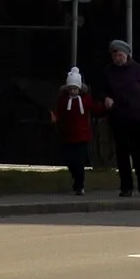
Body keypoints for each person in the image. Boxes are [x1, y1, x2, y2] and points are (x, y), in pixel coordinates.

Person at [52, 64, 106, 194]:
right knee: (70, 159)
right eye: (70, 89)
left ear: (79, 88)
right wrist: (56, 119)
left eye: (75, 89)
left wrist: (105, 108)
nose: (73, 92)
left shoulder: (85, 100)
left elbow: (94, 109)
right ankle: (75, 177)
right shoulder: (63, 100)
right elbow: (59, 113)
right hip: (68, 135)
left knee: (79, 161)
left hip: (82, 136)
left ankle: (79, 185)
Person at [104, 40, 140, 196]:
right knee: (122, 153)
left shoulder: (139, 70)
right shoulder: (108, 71)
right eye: (115, 56)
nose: (118, 59)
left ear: (127, 55)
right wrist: (105, 98)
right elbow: (102, 90)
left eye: (120, 55)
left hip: (138, 118)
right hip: (118, 118)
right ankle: (126, 187)